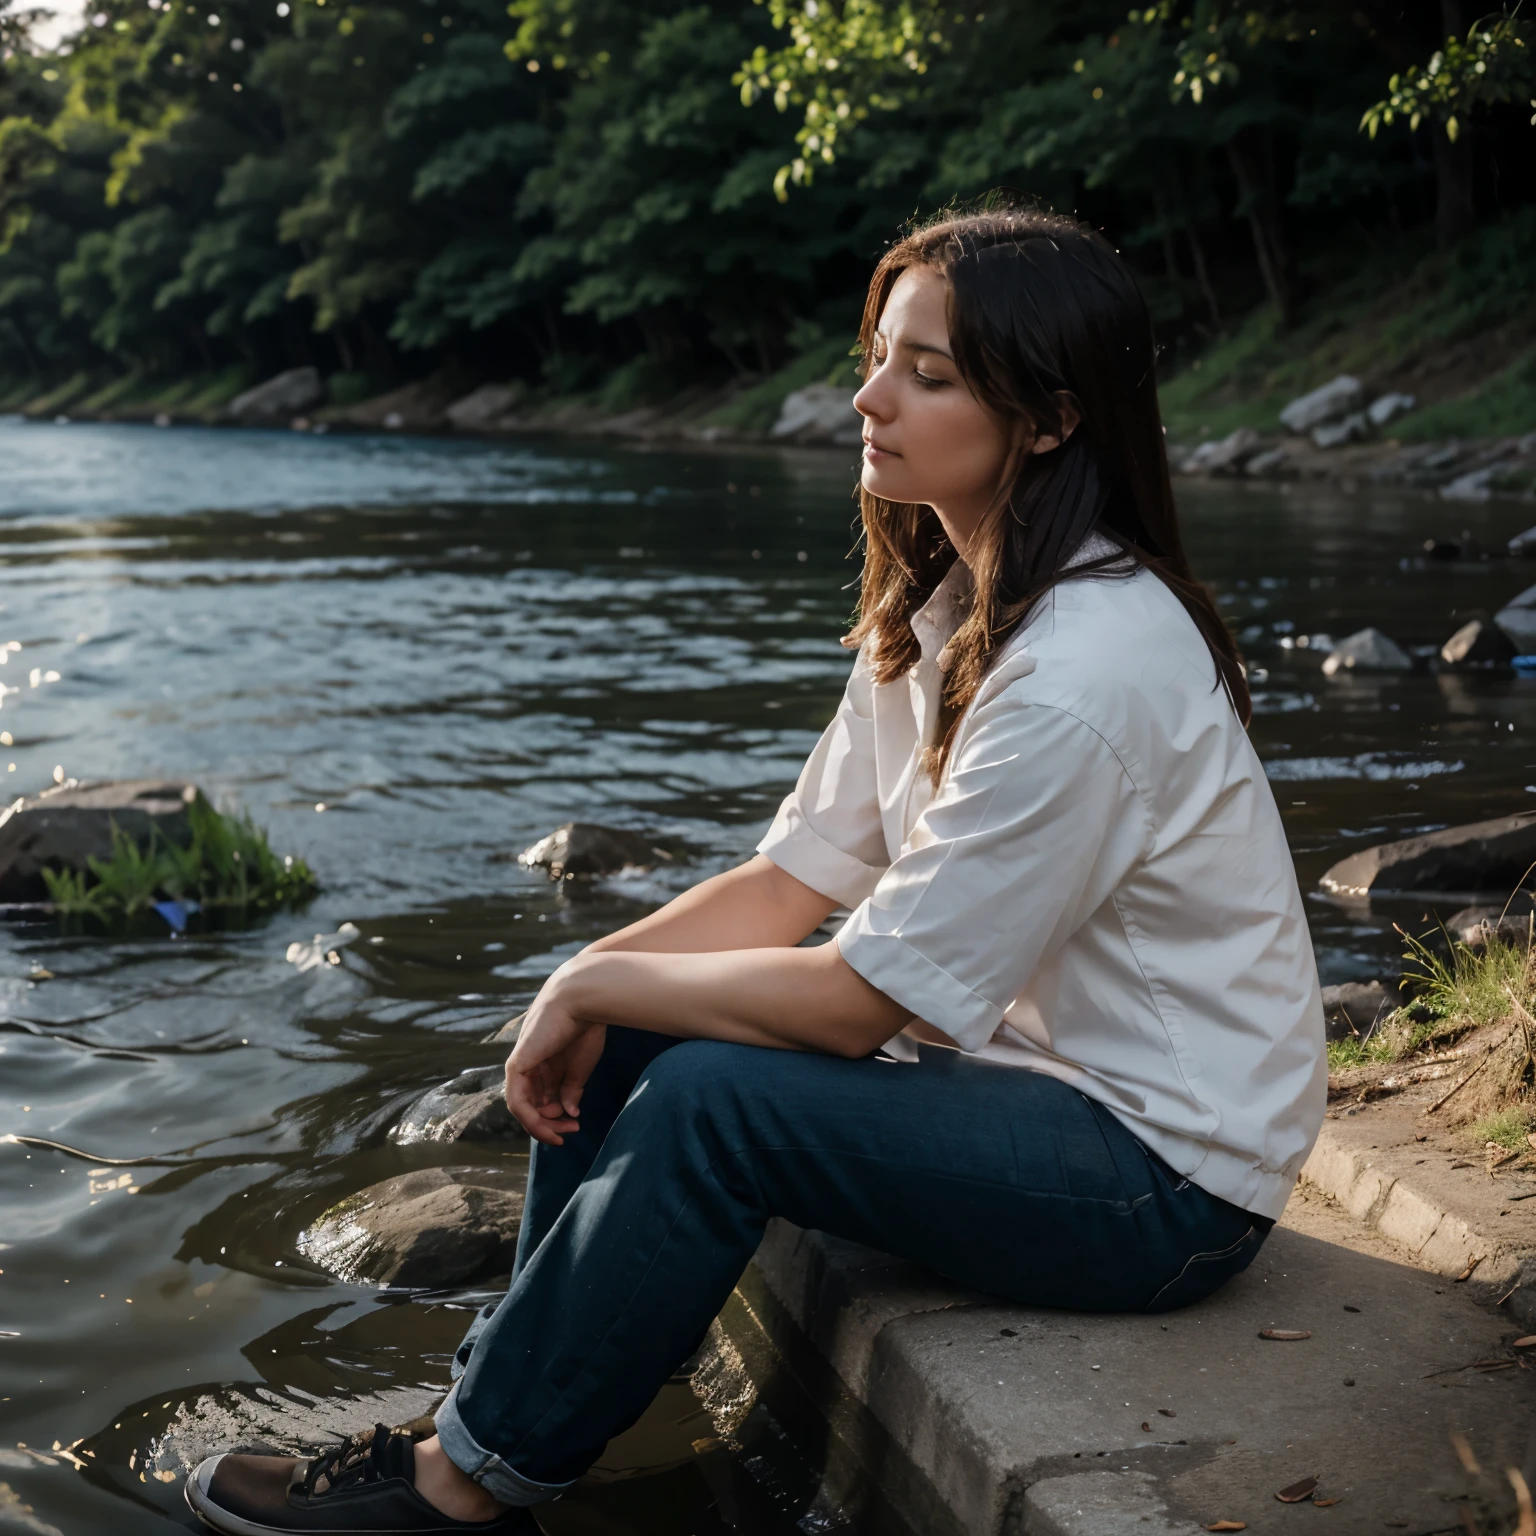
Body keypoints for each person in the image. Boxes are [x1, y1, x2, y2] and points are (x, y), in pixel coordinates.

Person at [186, 204, 1325, 1536]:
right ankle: (508, 1395)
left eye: (928, 374)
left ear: (1053, 419)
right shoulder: (948, 609)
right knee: (631, 1027)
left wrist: (603, 981)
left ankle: (463, 1489)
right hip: (1030, 1086)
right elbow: (789, 883)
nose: (869, 396)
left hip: (1163, 1177)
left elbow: (855, 1003)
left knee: (712, 1097)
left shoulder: (1085, 669)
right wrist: (592, 982)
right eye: (881, 355)